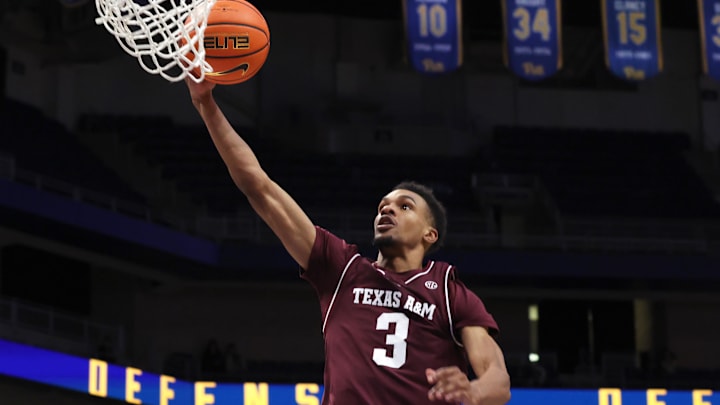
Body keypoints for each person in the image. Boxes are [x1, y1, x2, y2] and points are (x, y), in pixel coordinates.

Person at [185, 78, 511, 405]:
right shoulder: (341, 268)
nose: (388, 210)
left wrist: (474, 391)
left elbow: (498, 379)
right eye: (383, 206)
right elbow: (260, 186)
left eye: (404, 206)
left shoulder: (448, 291)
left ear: (430, 234)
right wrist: (207, 105)